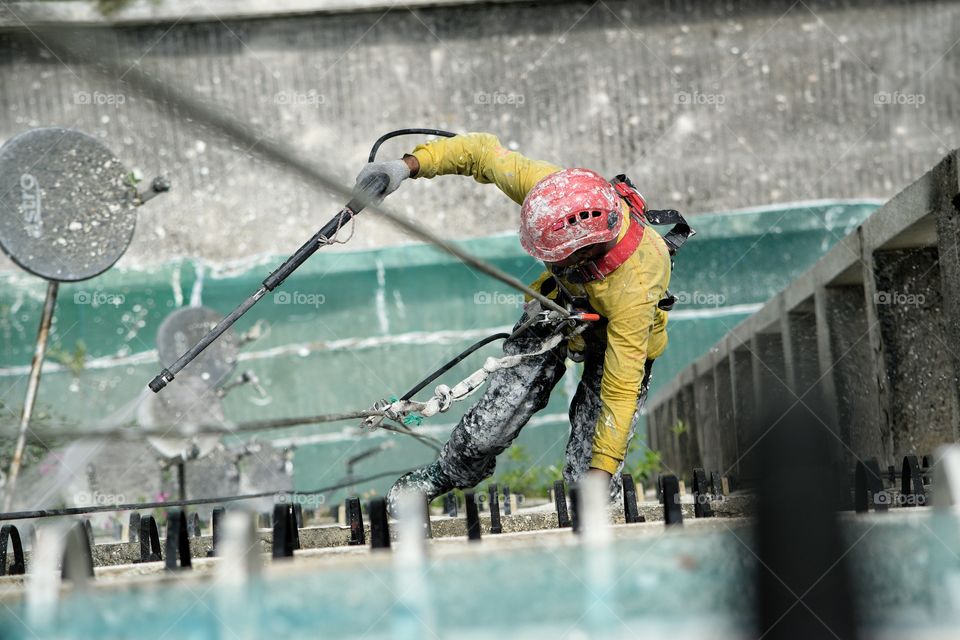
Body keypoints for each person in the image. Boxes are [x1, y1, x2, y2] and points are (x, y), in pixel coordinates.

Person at [354, 132, 672, 515]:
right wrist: (404, 167)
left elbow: (619, 394)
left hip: (619, 343)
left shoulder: (636, 283)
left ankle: (596, 511)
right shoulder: (554, 195)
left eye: (554, 258)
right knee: (489, 428)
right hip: (558, 308)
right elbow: (480, 154)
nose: (547, 262)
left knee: (590, 474)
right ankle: (443, 474)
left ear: (587, 249)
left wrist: (599, 476)